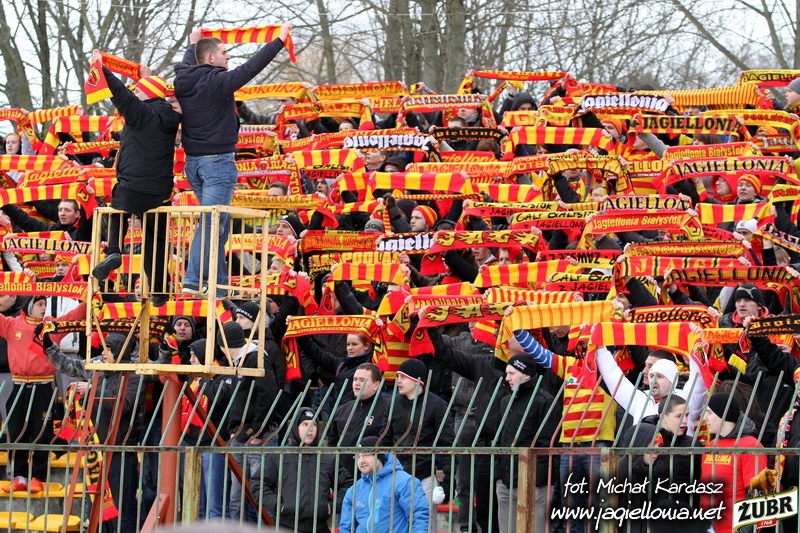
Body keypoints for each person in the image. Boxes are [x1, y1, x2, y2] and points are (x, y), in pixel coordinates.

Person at [174, 21, 293, 298]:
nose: (228, 57)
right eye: (224, 53)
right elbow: (251, 67)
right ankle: (193, 278)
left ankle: (218, 284)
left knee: (219, 224)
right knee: (212, 223)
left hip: (195, 163)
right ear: (211, 58)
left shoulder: (183, 79)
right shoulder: (218, 81)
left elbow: (188, 63)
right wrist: (279, 40)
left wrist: (192, 44)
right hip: (217, 163)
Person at [88, 50, 182, 308]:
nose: (134, 93)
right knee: (156, 240)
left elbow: (120, 93)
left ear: (147, 95)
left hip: (132, 187)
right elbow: (143, 93)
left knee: (117, 208)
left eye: (138, 91)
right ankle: (160, 288)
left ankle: (114, 251)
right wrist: (144, 78)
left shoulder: (141, 112)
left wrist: (101, 68)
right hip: (160, 190)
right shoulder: (170, 117)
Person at [38, 330, 146, 533]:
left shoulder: (133, 375)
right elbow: (67, 365)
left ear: (120, 351)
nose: (103, 353)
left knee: (121, 509)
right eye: (103, 348)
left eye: (108, 349)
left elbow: (124, 405)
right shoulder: (98, 370)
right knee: (96, 509)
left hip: (120, 451)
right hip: (95, 448)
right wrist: (48, 345)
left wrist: (91, 390)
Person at [0, 295, 86, 493]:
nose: (43, 308)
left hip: (43, 386)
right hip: (18, 386)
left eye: (45, 305)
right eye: (39, 304)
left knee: (42, 432)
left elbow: (74, 316)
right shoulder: (12, 324)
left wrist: (88, 299)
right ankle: (19, 476)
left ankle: (38, 476)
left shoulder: (51, 326)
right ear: (28, 305)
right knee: (16, 431)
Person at [252, 408, 352, 532]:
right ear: (296, 427)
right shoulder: (280, 455)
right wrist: (278, 505)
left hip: (319, 527)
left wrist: (331, 506)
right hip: (287, 526)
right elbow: (258, 484)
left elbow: (347, 484)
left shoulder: (327, 457)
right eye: (304, 424)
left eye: (314, 424)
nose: (310, 429)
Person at [495, 354, 559, 533]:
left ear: (527, 375)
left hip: (533, 483)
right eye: (507, 373)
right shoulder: (505, 401)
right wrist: (499, 476)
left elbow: (547, 446)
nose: (507, 378)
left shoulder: (545, 401)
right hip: (506, 482)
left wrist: (536, 481)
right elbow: (500, 440)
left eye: (512, 373)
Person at [700, 392, 766, 533]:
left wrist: (744, 529)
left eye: (709, 413)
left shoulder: (750, 446)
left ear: (724, 414)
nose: (704, 418)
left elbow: (758, 493)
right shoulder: (710, 446)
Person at [339, 435, 429, 533]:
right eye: (358, 456)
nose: (361, 460)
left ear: (379, 455)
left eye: (366, 454)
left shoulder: (404, 482)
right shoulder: (354, 490)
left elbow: (419, 517)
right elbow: (346, 527)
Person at [325, 363, 391, 476]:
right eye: (355, 379)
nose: (357, 383)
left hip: (373, 476)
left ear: (376, 385)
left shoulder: (388, 408)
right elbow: (332, 442)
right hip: (342, 477)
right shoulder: (343, 409)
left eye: (362, 380)